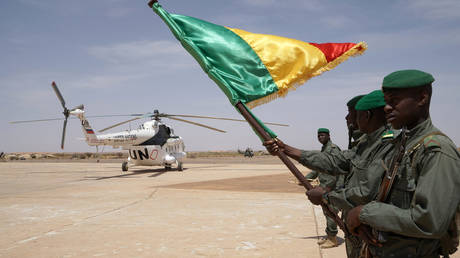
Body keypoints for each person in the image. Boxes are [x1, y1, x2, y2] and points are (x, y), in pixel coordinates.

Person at [264, 89, 394, 257]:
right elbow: (335, 161)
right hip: (358, 228)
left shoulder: (386, 145)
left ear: (367, 115)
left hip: (373, 233)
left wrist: (326, 196)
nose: (347, 119)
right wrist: (287, 149)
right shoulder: (366, 145)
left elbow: (366, 192)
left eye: (352, 114)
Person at [346, 70, 460, 257]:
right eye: (386, 101)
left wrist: (364, 213)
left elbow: (429, 221)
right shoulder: (404, 144)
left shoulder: (436, 150)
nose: (387, 108)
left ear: (422, 98)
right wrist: (369, 224)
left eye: (394, 100)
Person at [305, 128, 342, 248]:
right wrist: (307, 178)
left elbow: (339, 168)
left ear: (328, 136)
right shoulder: (324, 149)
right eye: (318, 136)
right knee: (327, 212)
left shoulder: (333, 149)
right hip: (325, 186)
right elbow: (318, 167)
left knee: (331, 212)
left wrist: (331, 188)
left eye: (322, 135)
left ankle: (333, 239)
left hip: (332, 187)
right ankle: (329, 235)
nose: (320, 137)